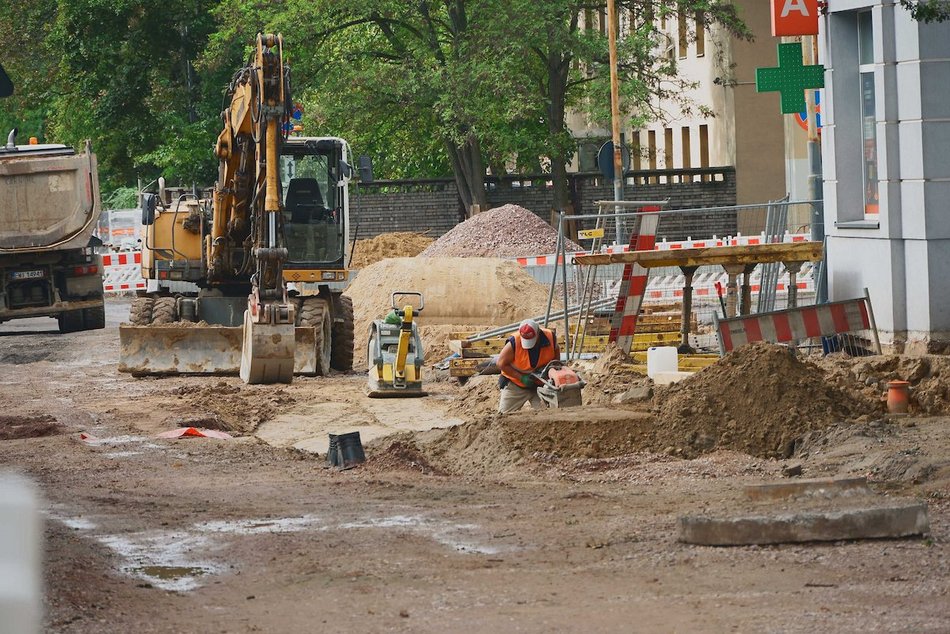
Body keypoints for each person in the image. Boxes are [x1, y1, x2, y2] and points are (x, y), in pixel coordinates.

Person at [496, 319, 560, 414]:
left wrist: (552, 372)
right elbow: (501, 363)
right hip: (516, 384)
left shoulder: (550, 337)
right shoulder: (514, 342)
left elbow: (556, 356)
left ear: (538, 333)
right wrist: (521, 377)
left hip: (540, 385)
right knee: (504, 416)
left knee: (549, 415)